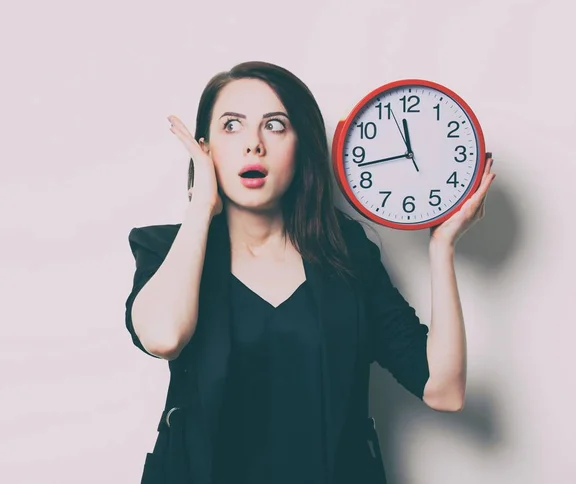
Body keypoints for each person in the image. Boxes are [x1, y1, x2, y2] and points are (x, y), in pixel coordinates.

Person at [124, 61, 496, 484]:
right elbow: (164, 337)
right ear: (205, 149)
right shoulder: (164, 250)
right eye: (232, 126)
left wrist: (441, 247)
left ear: (302, 146)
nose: (254, 145)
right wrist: (200, 208)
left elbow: (443, 390)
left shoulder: (346, 252)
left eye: (276, 126)